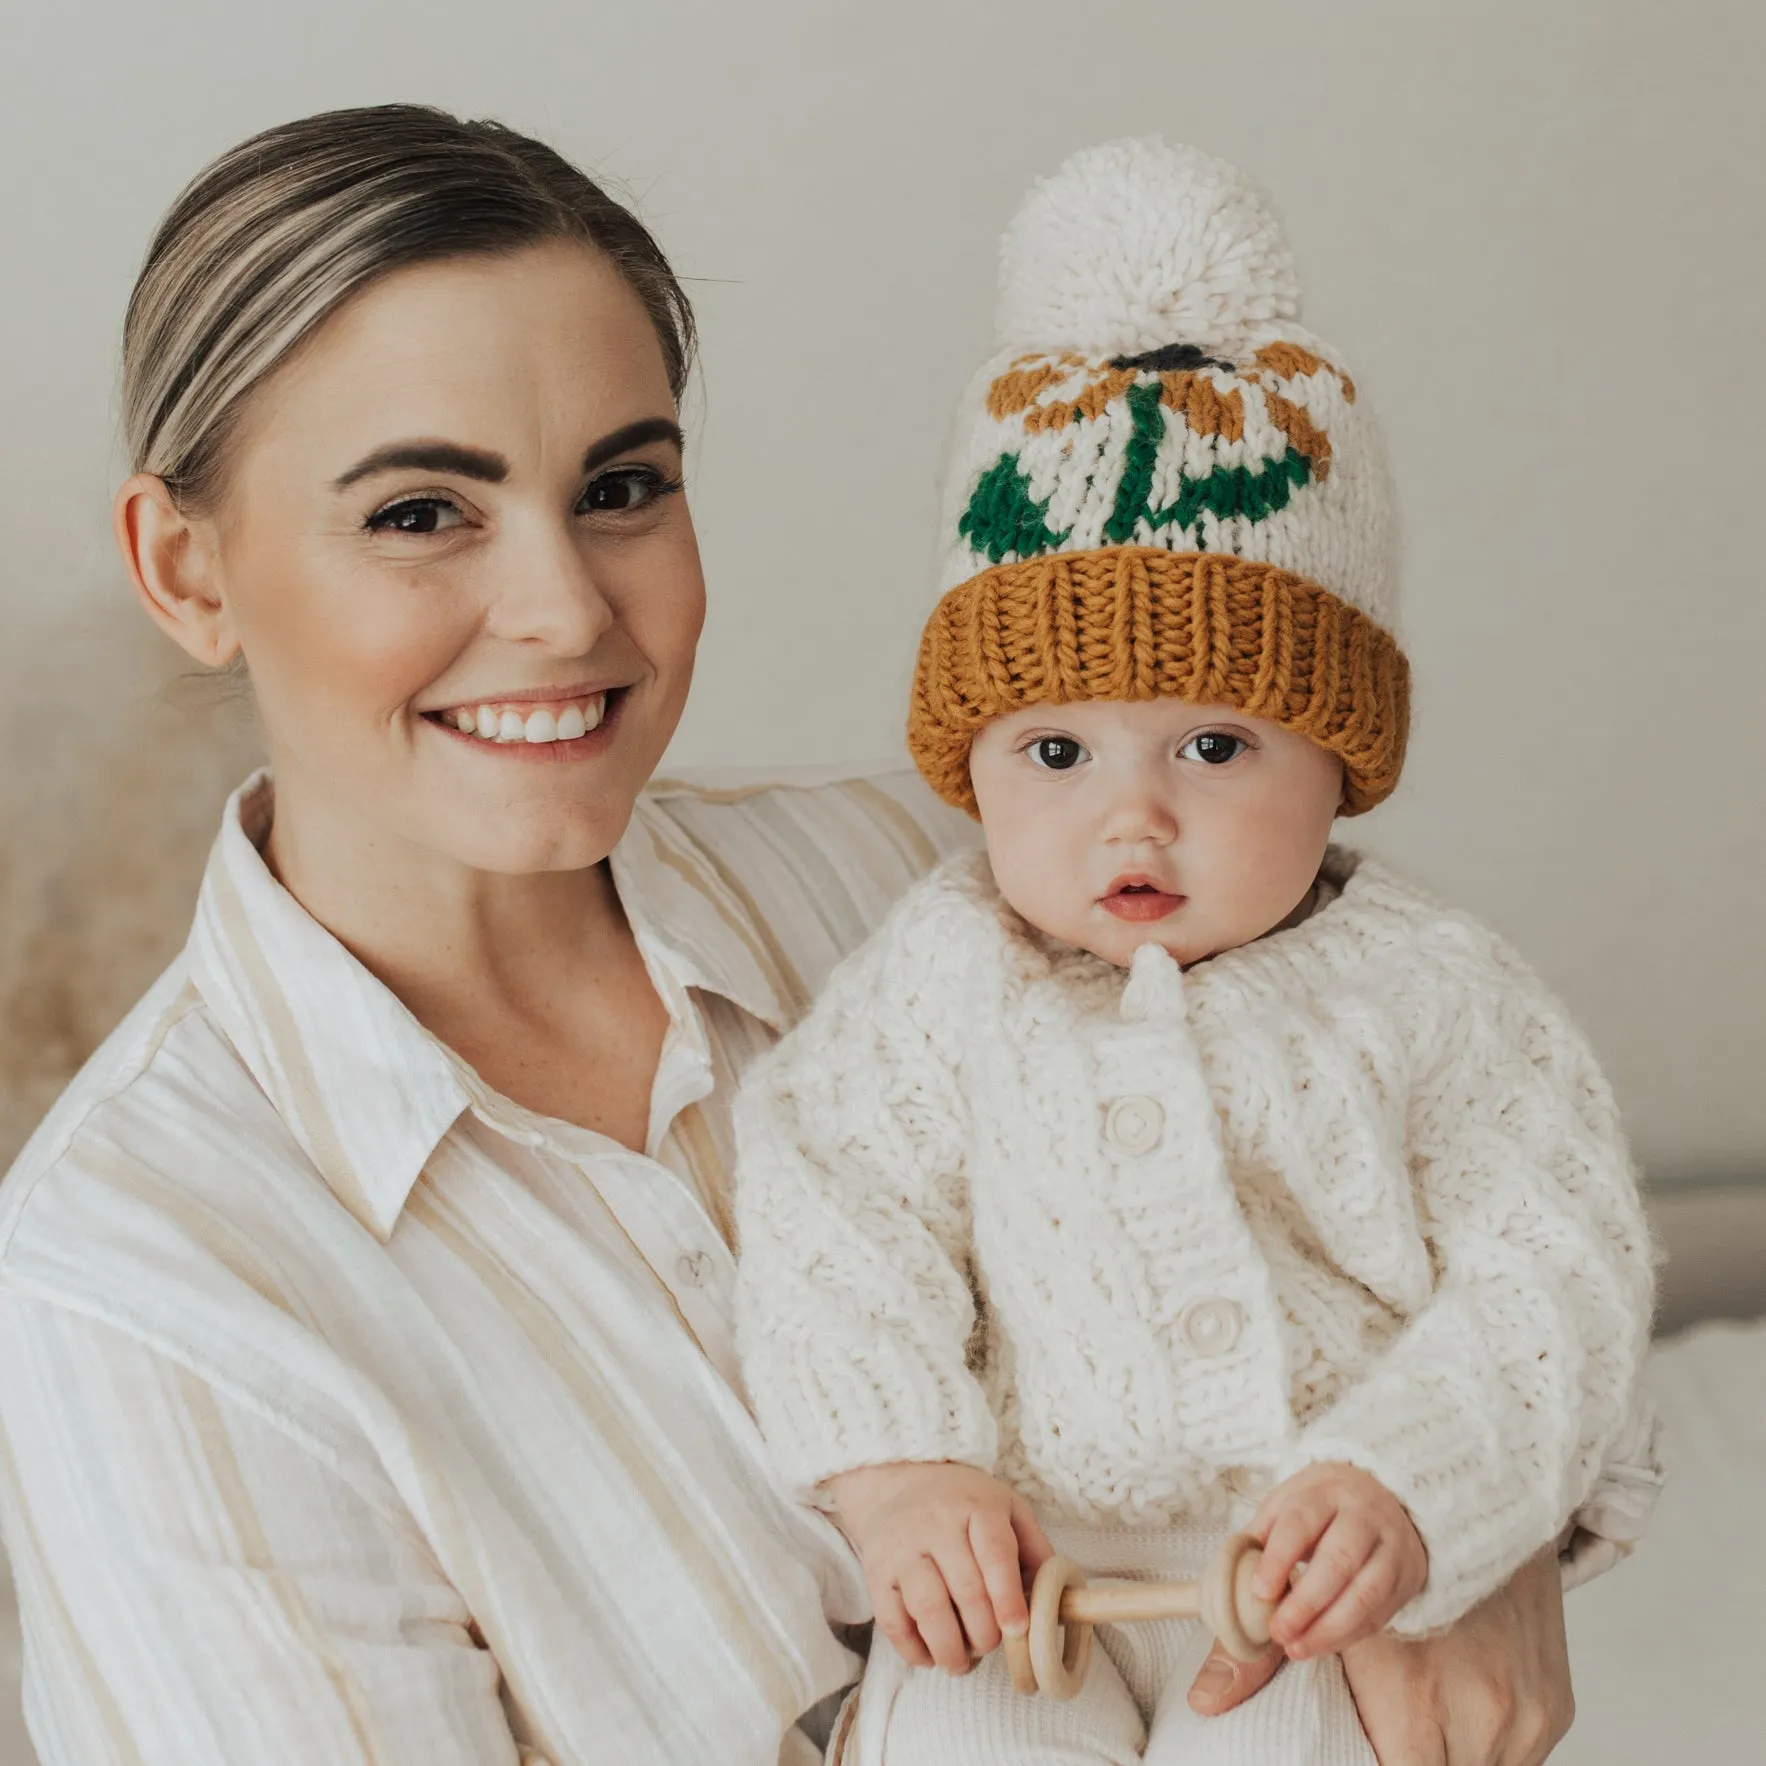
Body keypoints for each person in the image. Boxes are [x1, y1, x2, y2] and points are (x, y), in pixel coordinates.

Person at [0, 107, 1645, 1766]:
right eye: (421, 511)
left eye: (622, 486)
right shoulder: (136, 1285)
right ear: (185, 567)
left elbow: (1458, 1202)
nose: (566, 608)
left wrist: (1461, 1529)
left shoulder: (946, 873)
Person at [732, 140, 1661, 1765]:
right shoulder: (943, 972)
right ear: (972, 762)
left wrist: (1409, 1478)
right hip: (1020, 1579)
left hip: (1318, 1579)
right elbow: (832, 1201)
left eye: (1215, 748)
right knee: (946, 1727)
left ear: (1340, 755)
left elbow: (1554, 1269)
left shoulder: (1436, 993)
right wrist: (897, 1470)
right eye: (1055, 753)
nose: (1131, 822)